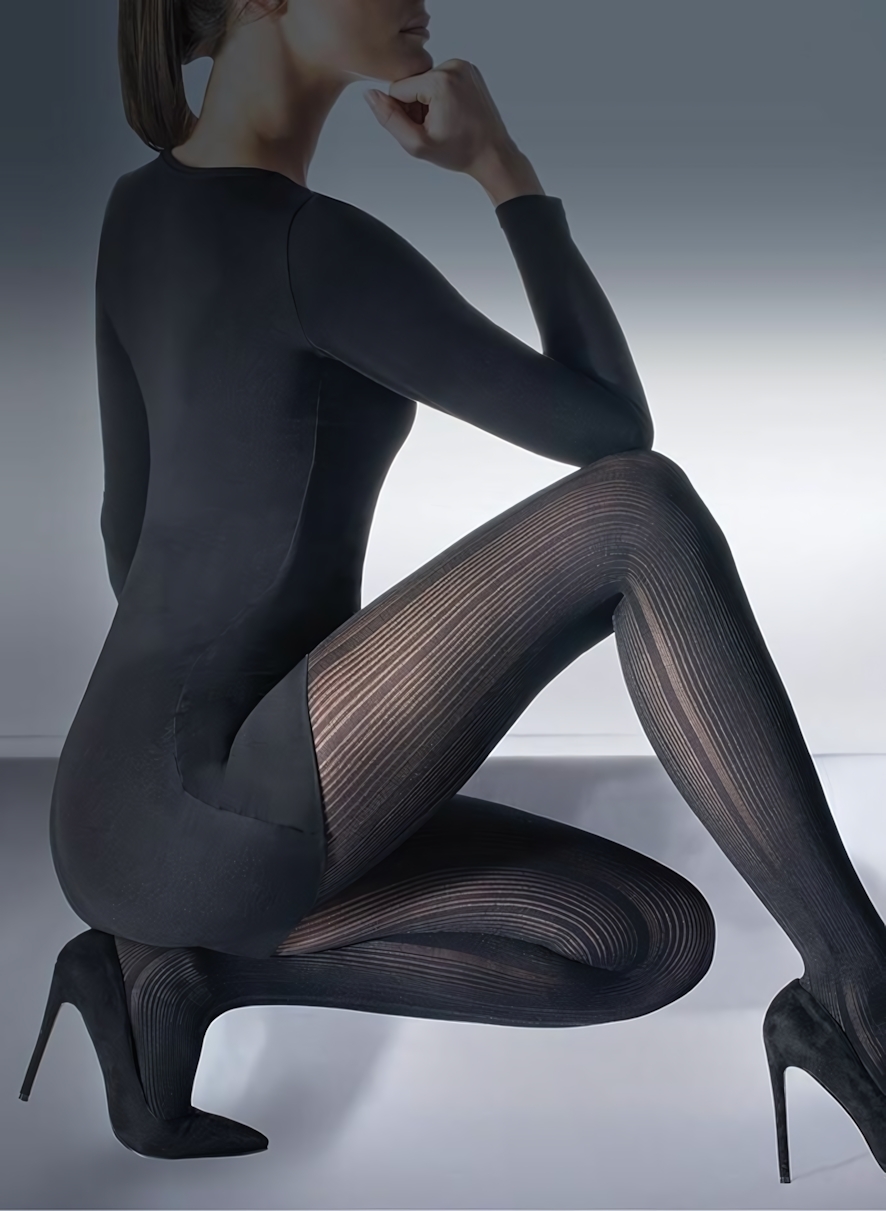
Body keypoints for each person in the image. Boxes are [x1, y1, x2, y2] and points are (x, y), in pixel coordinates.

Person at [18, 0, 886, 1181]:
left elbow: (127, 537)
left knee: (648, 942)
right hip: (209, 808)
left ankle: (173, 972)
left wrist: (323, 719)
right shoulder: (309, 246)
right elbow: (607, 429)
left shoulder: (140, 208)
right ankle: (860, 990)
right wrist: (502, 171)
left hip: (118, 798)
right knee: (637, 511)